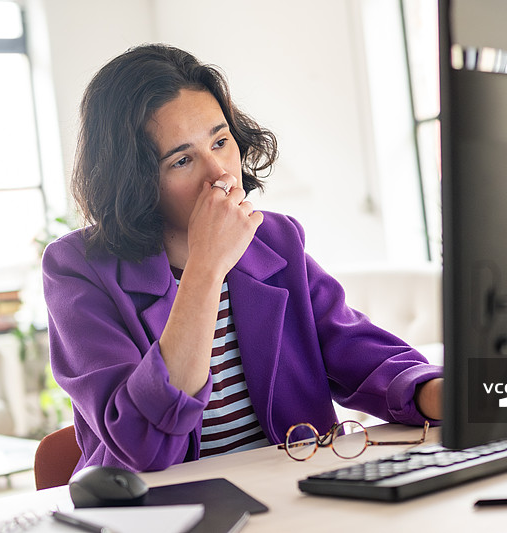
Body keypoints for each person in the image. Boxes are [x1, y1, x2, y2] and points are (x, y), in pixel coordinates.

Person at [42, 43, 443, 473]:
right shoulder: (75, 269)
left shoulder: (276, 239)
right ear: (134, 179)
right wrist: (206, 267)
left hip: (295, 491)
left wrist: (439, 393)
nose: (219, 173)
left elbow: (364, 355)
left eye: (220, 141)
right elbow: (144, 445)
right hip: (166, 503)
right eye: (182, 160)